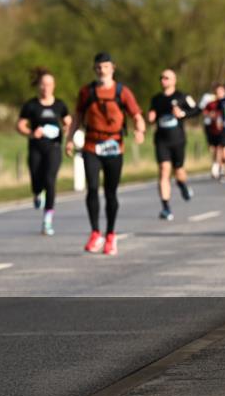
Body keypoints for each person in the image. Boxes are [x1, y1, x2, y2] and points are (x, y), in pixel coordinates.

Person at [66, 52, 146, 256]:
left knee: (111, 192)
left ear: (113, 68)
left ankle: (110, 234)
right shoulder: (87, 91)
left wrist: (139, 130)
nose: (102, 70)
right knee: (92, 188)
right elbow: (77, 116)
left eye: (106, 67)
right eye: (99, 67)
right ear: (95, 69)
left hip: (114, 145)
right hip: (92, 145)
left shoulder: (122, 92)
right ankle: (95, 232)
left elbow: (137, 115)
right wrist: (69, 139)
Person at [16, 68, 71, 235]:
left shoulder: (60, 105)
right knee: (36, 180)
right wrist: (32, 133)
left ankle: (47, 221)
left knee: (50, 180)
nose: (45, 88)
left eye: (49, 84)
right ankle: (37, 193)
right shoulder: (31, 105)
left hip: (53, 148)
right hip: (36, 149)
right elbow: (20, 125)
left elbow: (69, 122)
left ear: (53, 86)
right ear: (38, 86)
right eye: (42, 85)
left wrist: (67, 133)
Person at [147, 69, 200, 220]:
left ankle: (183, 186)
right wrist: (150, 116)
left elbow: (196, 110)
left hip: (178, 140)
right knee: (164, 170)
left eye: (166, 78)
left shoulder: (182, 97)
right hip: (161, 140)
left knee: (179, 172)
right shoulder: (156, 99)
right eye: (161, 78)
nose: (163, 80)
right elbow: (151, 114)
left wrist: (183, 114)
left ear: (174, 80)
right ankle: (166, 208)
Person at [201, 83, 225, 180]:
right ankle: (218, 166)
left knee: (222, 149)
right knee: (215, 148)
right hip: (213, 129)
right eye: (218, 92)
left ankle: (221, 167)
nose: (219, 94)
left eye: (221, 92)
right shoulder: (212, 103)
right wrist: (209, 115)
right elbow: (204, 111)